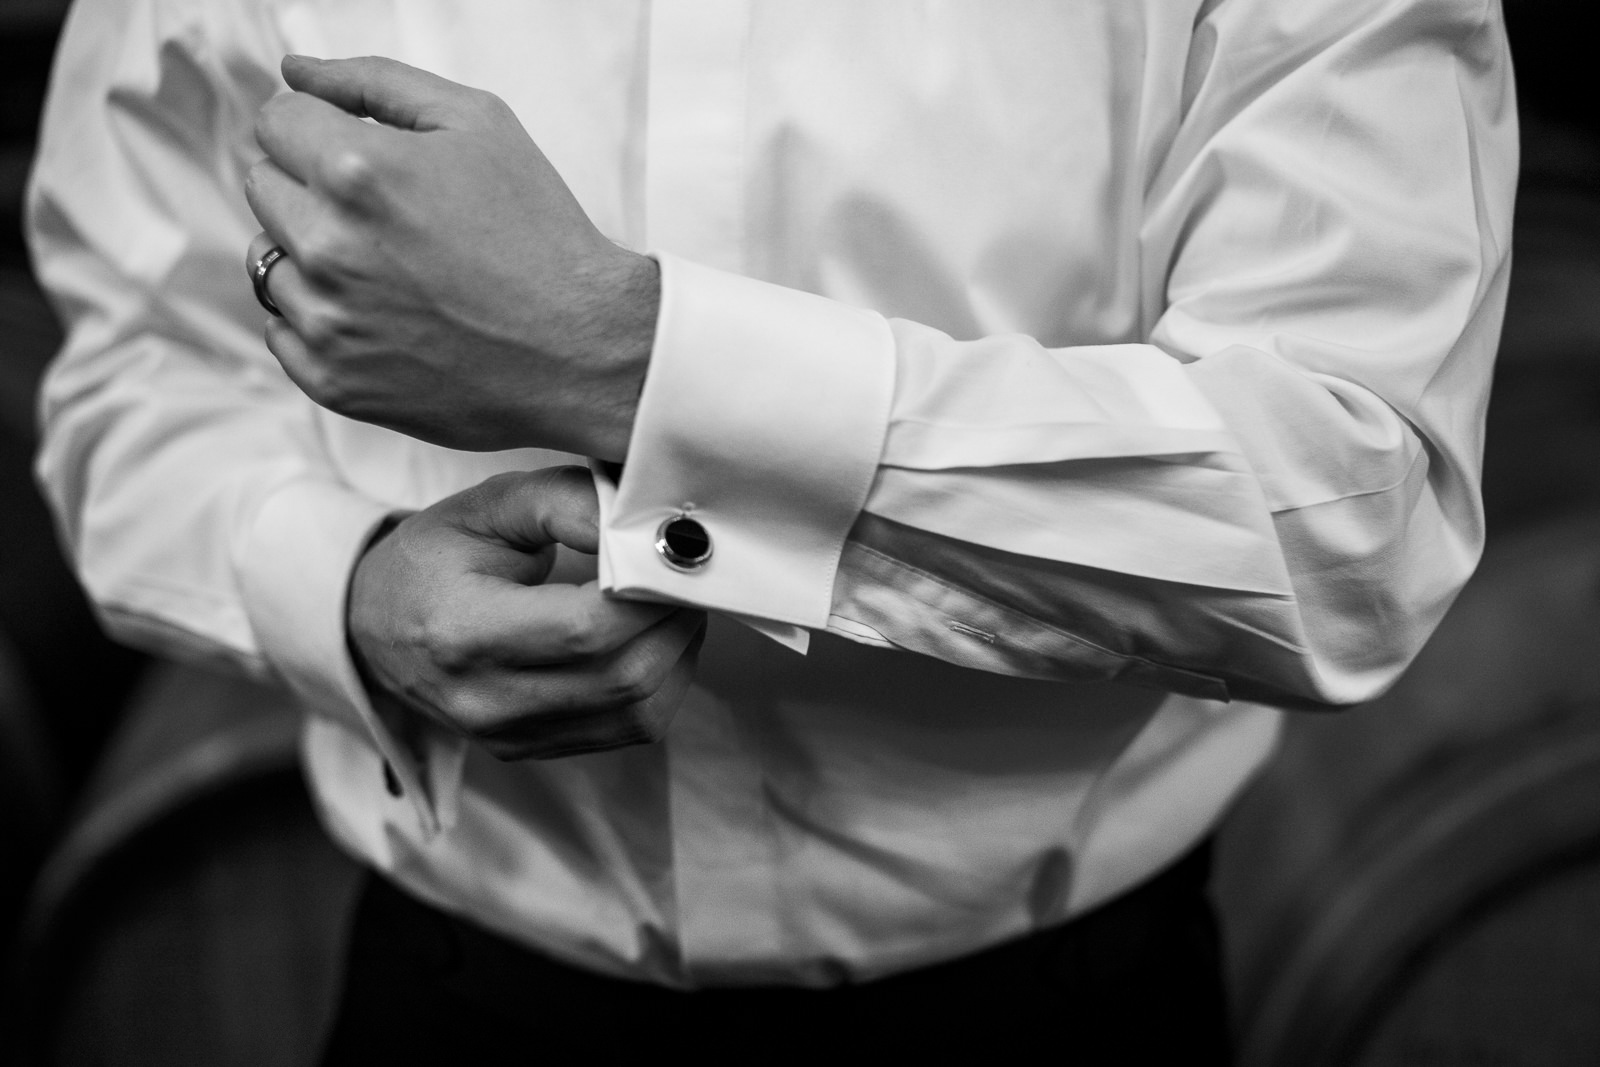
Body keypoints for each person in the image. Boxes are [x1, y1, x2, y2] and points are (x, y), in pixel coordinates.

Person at [27, 0, 1516, 1061]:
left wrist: (617, 358)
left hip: (1067, 1003)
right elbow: (134, 369)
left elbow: (1350, 507)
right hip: (452, 990)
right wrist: (340, 592)